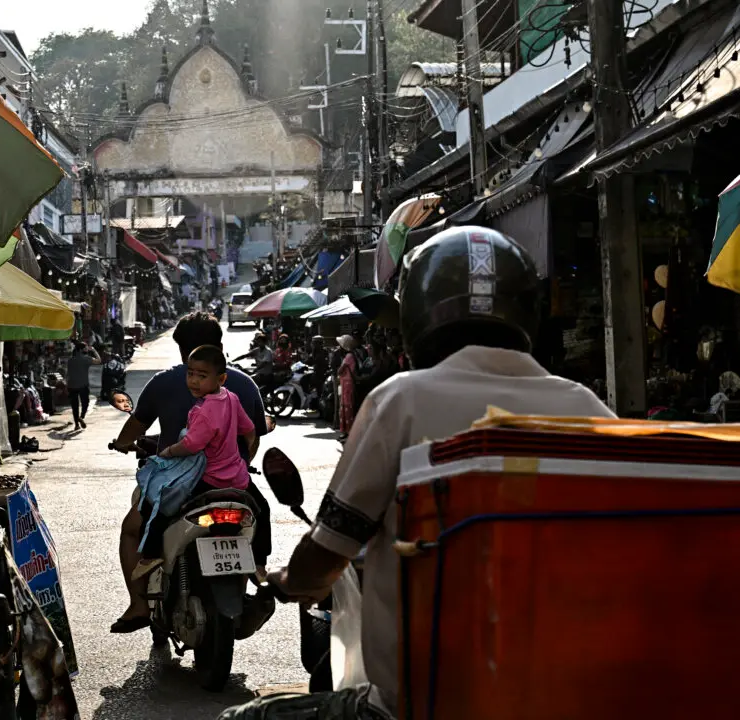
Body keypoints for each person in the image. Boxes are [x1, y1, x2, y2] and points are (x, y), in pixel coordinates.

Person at [220, 227, 616, 720]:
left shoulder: (399, 400)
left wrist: (291, 578)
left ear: (417, 314)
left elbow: (328, 552)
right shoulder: (586, 408)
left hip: (415, 703)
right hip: (560, 694)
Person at [110, 312, 271, 633]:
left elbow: (133, 431)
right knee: (259, 511)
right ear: (220, 345)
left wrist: (123, 443)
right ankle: (258, 568)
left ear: (183, 350)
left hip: (180, 485)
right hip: (233, 486)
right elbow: (252, 436)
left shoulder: (165, 382)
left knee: (132, 529)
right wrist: (241, 462)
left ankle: (139, 604)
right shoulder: (242, 385)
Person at [136, 345, 257, 567]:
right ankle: (259, 564)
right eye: (190, 373)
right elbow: (249, 430)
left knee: (159, 504)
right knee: (261, 510)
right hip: (238, 479)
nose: (194, 381)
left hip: (207, 479)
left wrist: (169, 451)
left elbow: (192, 445)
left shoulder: (204, 410)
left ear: (221, 378)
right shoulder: (231, 398)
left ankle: (150, 556)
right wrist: (245, 460)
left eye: (202, 376)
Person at [66, 342, 102, 431]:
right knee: (85, 403)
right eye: (86, 348)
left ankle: (76, 425)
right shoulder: (86, 359)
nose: (87, 349)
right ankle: (81, 417)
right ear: (81, 349)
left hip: (71, 385)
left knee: (75, 406)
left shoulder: (70, 360)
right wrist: (93, 350)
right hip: (83, 385)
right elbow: (99, 360)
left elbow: (67, 374)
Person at [336, 335, 360, 441]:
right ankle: (346, 431)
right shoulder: (352, 355)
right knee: (346, 409)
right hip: (346, 384)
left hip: (347, 385)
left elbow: (340, 370)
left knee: (347, 409)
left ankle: (348, 431)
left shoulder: (349, 356)